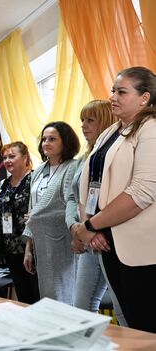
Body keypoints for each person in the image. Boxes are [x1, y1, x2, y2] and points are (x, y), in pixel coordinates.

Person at [76, 67, 156, 332]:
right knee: (130, 324)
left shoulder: (151, 127)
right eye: (113, 90)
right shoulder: (109, 132)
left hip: (142, 246)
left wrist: (89, 226)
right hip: (107, 239)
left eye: (122, 91)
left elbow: (142, 192)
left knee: (146, 326)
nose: (113, 97)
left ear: (144, 98)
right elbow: (90, 184)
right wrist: (89, 225)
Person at [65, 100, 126, 324]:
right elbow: (73, 198)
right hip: (89, 237)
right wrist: (77, 229)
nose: (83, 125)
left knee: (123, 309)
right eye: (82, 120)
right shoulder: (84, 159)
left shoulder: (115, 154)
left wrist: (91, 230)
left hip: (108, 238)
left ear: (106, 122)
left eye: (90, 120)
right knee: (81, 307)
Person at [23, 121, 80, 304]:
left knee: (64, 294)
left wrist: (37, 217)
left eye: (52, 139)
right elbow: (33, 211)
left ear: (66, 142)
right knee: (48, 297)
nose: (46, 143)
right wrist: (28, 249)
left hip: (63, 240)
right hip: (41, 242)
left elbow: (70, 205)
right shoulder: (38, 172)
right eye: (44, 139)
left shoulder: (74, 166)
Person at [0, 142, 40, 304]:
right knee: (23, 297)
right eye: (5, 157)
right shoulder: (4, 184)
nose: (7, 160)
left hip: (31, 246)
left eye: (12, 156)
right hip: (10, 249)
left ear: (25, 157)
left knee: (38, 296)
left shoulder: (35, 180)